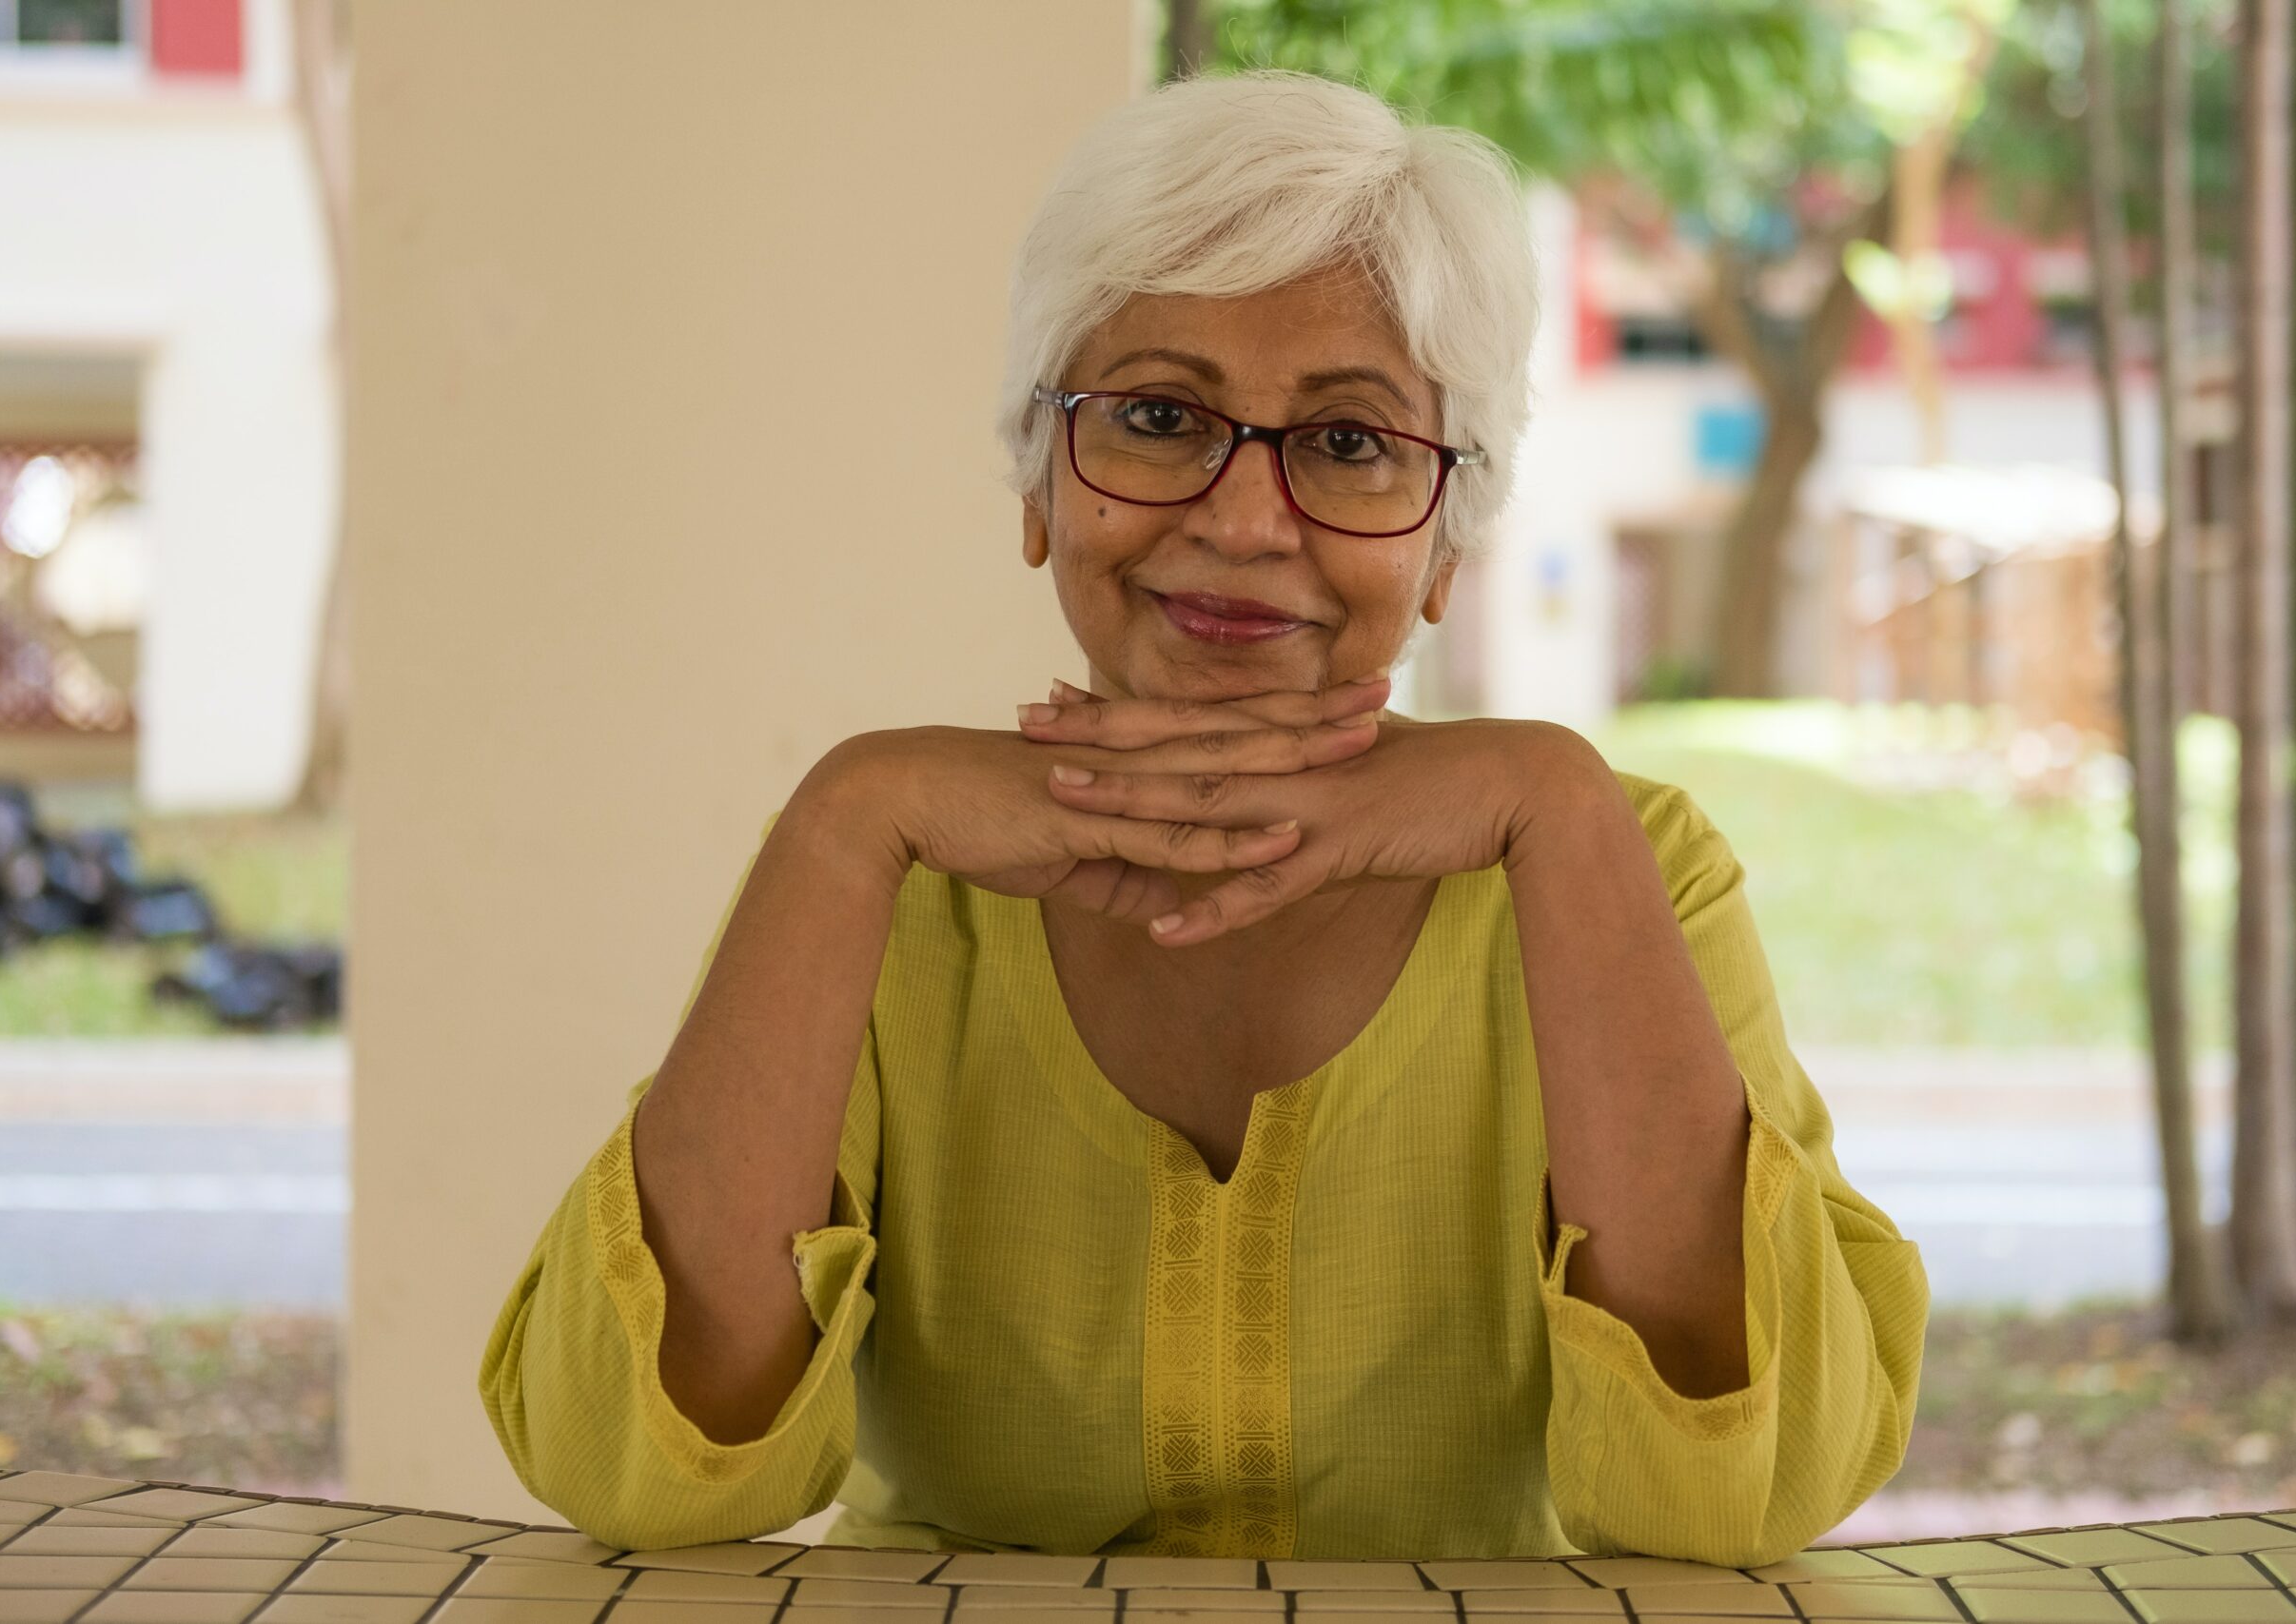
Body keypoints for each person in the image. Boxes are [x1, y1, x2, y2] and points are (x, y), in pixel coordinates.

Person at [480, 68, 1927, 1564]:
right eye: (1161, 415)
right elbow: (639, 1481)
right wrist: (846, 815)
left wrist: (1551, 802)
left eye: (1352, 442)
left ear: (1446, 547)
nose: (1244, 522)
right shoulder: (892, 871)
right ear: (1040, 481)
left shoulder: (1630, 862)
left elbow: (1741, 1500)